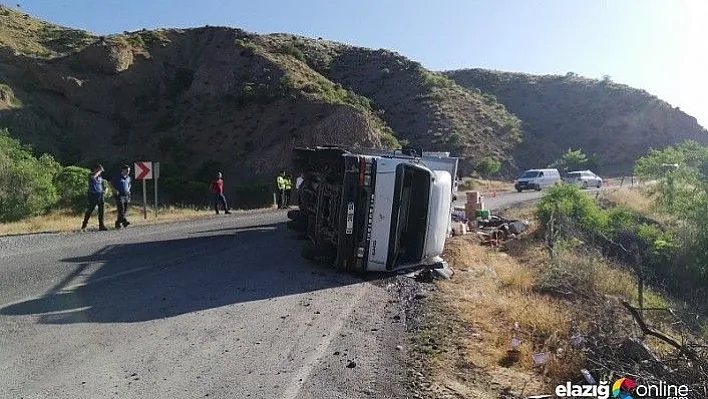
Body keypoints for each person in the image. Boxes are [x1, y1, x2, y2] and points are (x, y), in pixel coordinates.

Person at [81, 164, 108, 231]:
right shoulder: (91, 175)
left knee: (101, 211)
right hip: (92, 195)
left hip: (100, 194)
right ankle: (84, 225)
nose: (100, 172)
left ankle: (101, 225)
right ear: (95, 169)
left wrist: (104, 189)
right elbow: (93, 177)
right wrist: (99, 171)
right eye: (99, 170)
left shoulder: (100, 177)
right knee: (90, 210)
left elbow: (102, 184)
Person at [111, 164, 132, 229]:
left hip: (126, 195)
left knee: (124, 210)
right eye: (127, 170)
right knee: (121, 209)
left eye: (129, 171)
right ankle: (124, 221)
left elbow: (129, 184)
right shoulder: (117, 177)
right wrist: (114, 190)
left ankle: (118, 223)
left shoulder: (128, 178)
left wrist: (128, 190)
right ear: (123, 170)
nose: (128, 172)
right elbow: (111, 184)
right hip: (119, 195)